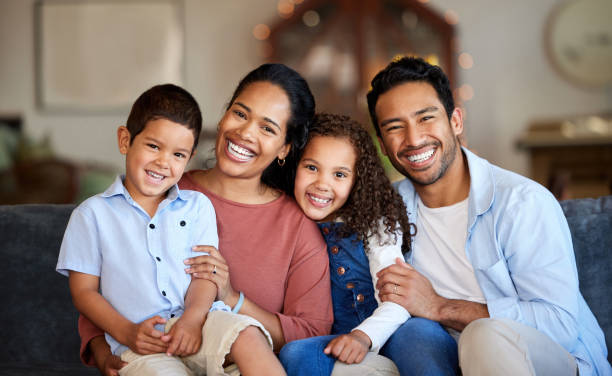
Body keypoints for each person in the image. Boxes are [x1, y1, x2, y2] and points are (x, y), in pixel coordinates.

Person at [79, 64, 333, 376]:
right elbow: (105, 282)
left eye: (267, 128)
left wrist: (231, 297)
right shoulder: (162, 188)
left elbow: (311, 335)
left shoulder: (297, 228)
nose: (245, 132)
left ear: (285, 148)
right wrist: (103, 351)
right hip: (153, 355)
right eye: (240, 114)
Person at [367, 56, 611, 375]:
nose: (413, 139)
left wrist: (439, 306)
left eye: (426, 118)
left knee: (483, 336)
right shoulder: (388, 209)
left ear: (456, 121)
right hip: (447, 358)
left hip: (556, 361)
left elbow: (560, 325)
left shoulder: (521, 202)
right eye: (395, 127)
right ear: (383, 145)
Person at [278, 113, 457, 376]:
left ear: (357, 181)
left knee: (420, 335)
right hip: (336, 336)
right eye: (312, 167)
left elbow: (398, 299)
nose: (322, 184)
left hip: (393, 327)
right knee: (295, 353)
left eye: (339, 174)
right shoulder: (287, 220)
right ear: (295, 166)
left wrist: (363, 336)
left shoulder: (375, 222)